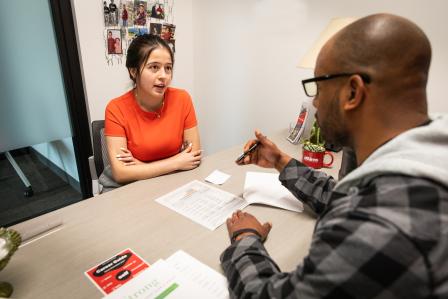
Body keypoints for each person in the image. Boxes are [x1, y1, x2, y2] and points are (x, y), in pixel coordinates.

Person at [221, 13, 448, 298]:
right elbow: (348, 195)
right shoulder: (429, 155)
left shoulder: (377, 225)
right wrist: (280, 160)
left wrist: (245, 238)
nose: (315, 102)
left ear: (352, 91)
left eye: (319, 87)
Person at [100, 34, 201, 192]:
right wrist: (177, 162)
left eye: (168, 68)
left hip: (170, 182)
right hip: (127, 187)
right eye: (154, 67)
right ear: (133, 71)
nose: (163, 76)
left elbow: (193, 157)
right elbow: (121, 173)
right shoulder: (115, 109)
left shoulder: (182, 99)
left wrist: (141, 167)